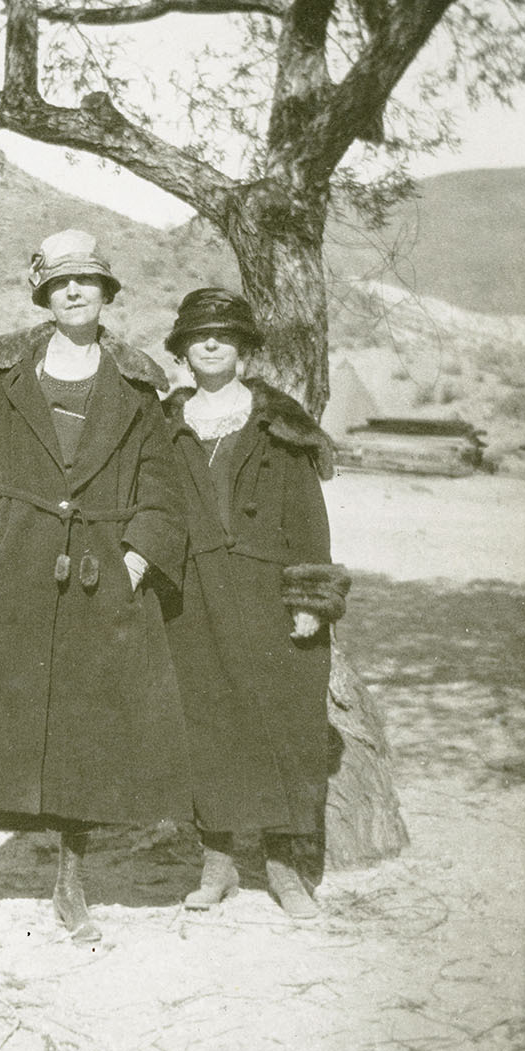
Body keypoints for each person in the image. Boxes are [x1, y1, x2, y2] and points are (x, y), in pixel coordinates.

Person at [0, 230, 192, 942]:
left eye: (86, 280)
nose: (74, 292)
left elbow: (160, 486)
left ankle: (70, 886)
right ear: (45, 296)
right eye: (60, 284)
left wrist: (135, 559)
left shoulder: (136, 382)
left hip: (98, 580)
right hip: (8, 572)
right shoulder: (5, 372)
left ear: (106, 291)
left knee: (83, 734)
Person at [162, 288, 351, 919]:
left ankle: (283, 867)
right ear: (183, 351)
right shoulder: (162, 426)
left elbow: (308, 516)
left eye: (224, 335)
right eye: (198, 336)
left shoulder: (279, 424)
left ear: (243, 350)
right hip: (190, 599)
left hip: (271, 598)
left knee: (284, 728)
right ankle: (216, 863)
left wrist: (308, 599)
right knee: (205, 725)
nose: (211, 344)